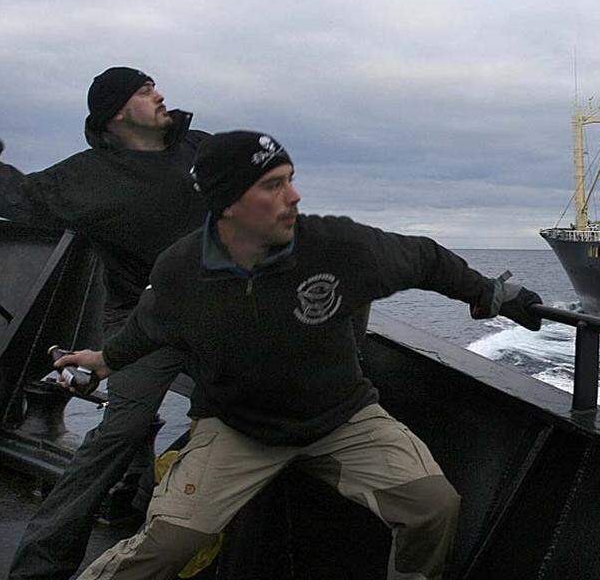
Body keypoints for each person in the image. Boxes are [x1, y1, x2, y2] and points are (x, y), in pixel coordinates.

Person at [55, 131, 544, 580]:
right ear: (227, 204)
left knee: (433, 506)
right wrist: (104, 360)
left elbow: (425, 258)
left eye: (291, 180)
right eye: (273, 186)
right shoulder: (182, 269)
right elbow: (149, 325)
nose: (294, 197)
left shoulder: (334, 246)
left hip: (340, 419)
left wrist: (491, 295)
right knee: (171, 545)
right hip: (238, 428)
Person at [0, 65, 210, 580]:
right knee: (120, 431)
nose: (159, 94)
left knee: (243, 408)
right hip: (143, 318)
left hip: (219, 310)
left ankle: (144, 491)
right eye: (144, 89)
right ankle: (39, 568)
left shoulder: (200, 148)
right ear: (117, 113)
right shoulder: (87, 178)